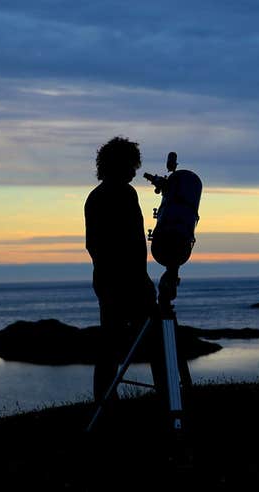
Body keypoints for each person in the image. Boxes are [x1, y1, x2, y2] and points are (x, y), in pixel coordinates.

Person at [85, 136, 159, 405]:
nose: (135, 170)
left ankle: (105, 400)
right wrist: (134, 278)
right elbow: (103, 245)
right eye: (131, 164)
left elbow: (94, 246)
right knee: (152, 339)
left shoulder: (99, 196)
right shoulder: (118, 195)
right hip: (122, 281)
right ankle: (165, 393)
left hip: (113, 281)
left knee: (111, 344)